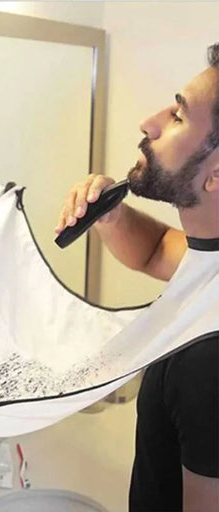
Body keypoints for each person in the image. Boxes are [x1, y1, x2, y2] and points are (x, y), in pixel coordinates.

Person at [56, 44, 219, 511]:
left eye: (179, 117)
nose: (150, 121)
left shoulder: (207, 361)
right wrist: (112, 216)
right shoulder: (209, 259)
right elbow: (154, 252)